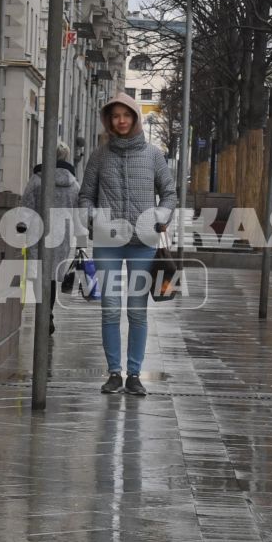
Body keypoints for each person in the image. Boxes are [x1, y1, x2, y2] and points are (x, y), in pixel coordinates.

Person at [78, 93, 177, 397]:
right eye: (115, 116)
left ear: (135, 118)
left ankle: (134, 374)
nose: (120, 121)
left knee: (136, 311)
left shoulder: (153, 155)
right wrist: (94, 219)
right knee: (110, 310)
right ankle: (113, 373)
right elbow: (85, 197)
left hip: (142, 244)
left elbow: (170, 194)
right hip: (108, 242)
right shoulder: (99, 156)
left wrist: (158, 217)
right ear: (109, 120)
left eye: (126, 115)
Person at [23, 143, 80, 328]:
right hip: (61, 236)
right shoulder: (73, 184)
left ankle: (43, 313)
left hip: (37, 233)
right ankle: (48, 313)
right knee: (52, 276)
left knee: (38, 275)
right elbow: (78, 211)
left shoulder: (37, 180)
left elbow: (26, 206)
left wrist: (21, 225)